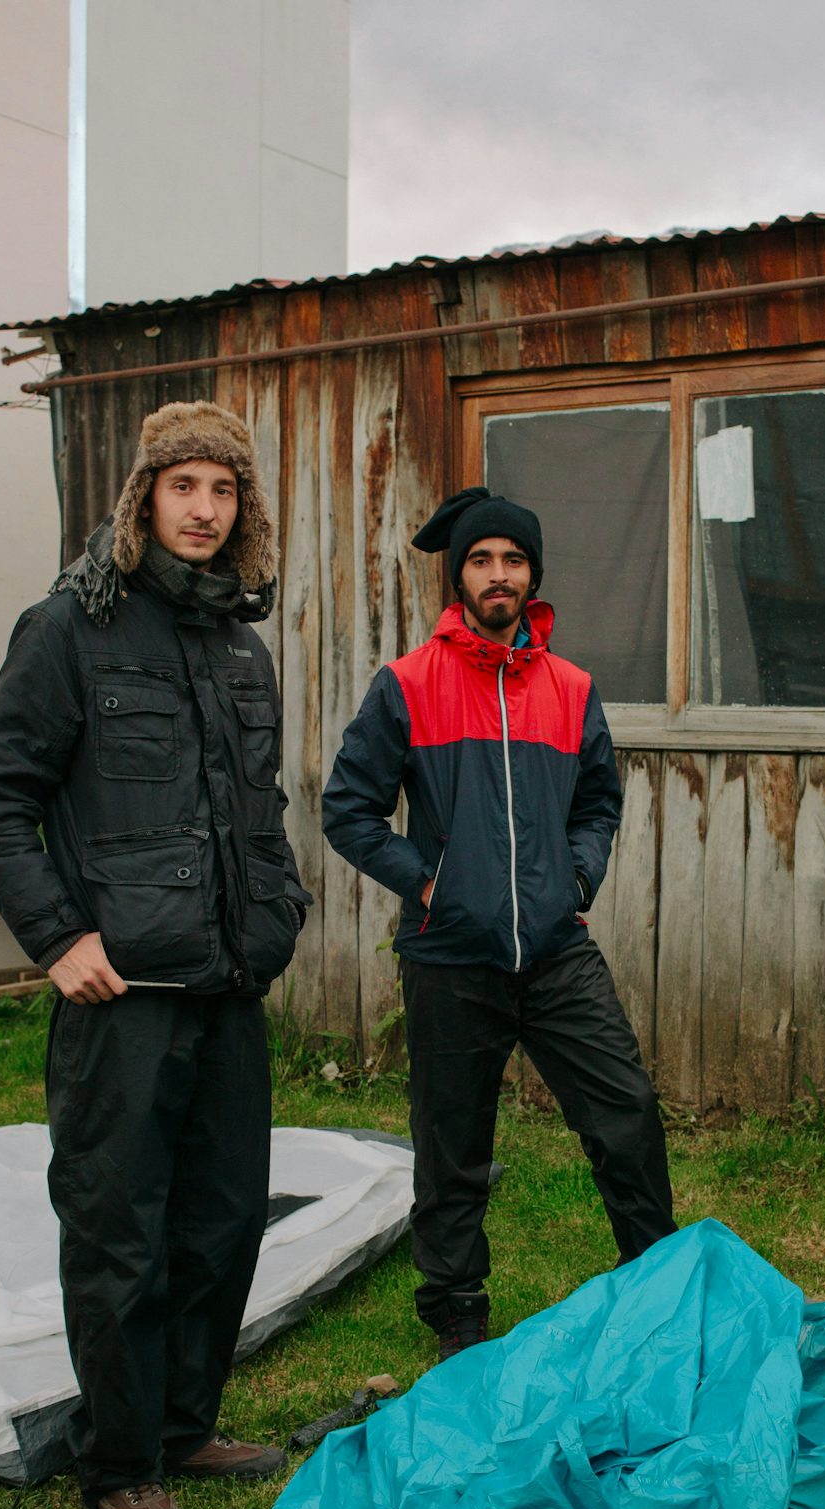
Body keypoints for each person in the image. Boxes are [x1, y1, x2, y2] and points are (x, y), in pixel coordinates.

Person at [0, 401, 310, 1509]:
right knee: (120, 1231)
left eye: (223, 489)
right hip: (121, 998)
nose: (203, 509)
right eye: (182, 486)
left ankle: (182, 1426)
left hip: (227, 987)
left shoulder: (237, 644)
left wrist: (278, 909)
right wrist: (60, 937)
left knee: (222, 1221)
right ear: (142, 498)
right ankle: (119, 1463)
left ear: (242, 508)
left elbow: (256, 809)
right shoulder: (69, 628)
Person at [322, 486, 676, 1361]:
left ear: (533, 576)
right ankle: (455, 1309)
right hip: (450, 955)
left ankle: (658, 1283)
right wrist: (429, 884)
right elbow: (348, 809)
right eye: (481, 560)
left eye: (513, 560)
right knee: (453, 1143)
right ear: (459, 577)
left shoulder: (572, 688)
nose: (498, 574)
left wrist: (578, 875)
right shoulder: (409, 684)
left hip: (555, 951)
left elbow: (598, 802)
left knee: (626, 1113)